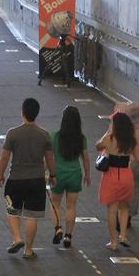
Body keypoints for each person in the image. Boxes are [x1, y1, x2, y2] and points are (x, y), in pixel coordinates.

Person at [0, 98, 56, 260]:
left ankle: (17, 238)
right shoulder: (44, 135)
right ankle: (28, 250)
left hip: (15, 178)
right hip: (36, 180)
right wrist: (53, 175)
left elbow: (4, 157)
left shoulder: (13, 133)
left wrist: (0, 175)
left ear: (22, 112)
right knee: (32, 215)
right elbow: (50, 158)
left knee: (11, 209)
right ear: (36, 114)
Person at [97, 112, 139, 251]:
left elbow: (98, 146)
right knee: (124, 207)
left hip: (111, 175)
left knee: (112, 210)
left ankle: (113, 241)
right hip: (126, 175)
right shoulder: (131, 140)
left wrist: (107, 132)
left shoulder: (109, 138)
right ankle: (123, 235)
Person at [49, 106, 90, 249]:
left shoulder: (54, 137)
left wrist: (49, 173)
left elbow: (49, 158)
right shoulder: (81, 138)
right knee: (71, 206)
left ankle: (58, 228)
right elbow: (85, 158)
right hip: (74, 174)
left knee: (55, 203)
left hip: (58, 174)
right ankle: (68, 236)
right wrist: (87, 175)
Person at [112, 103, 139, 228]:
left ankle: (118, 214)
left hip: (122, 163)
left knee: (119, 190)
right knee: (134, 191)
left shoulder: (124, 130)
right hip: (136, 164)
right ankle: (128, 216)